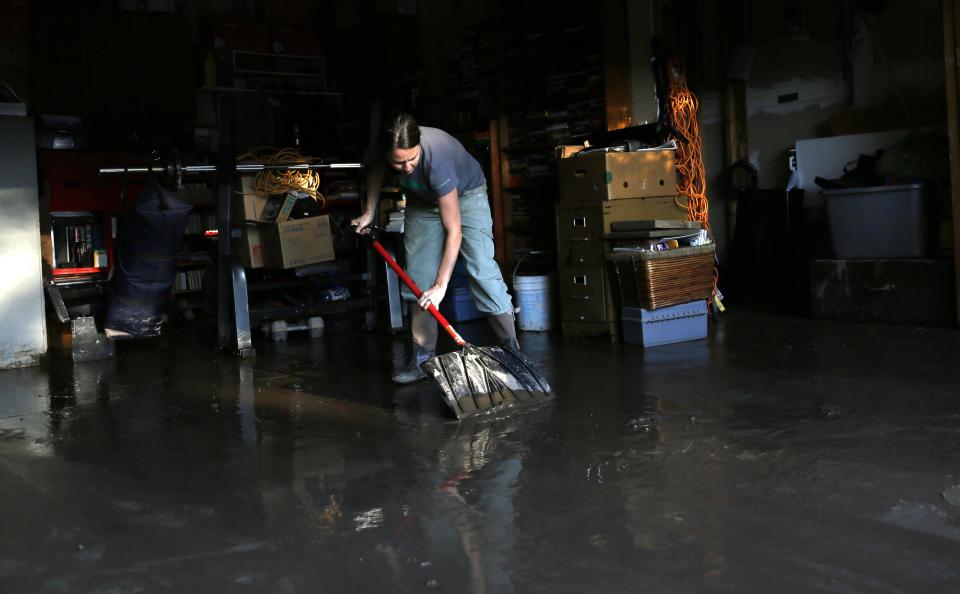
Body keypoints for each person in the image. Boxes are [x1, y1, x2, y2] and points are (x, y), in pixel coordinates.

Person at [352, 114, 519, 384]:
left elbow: (454, 230)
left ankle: (512, 352)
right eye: (399, 161)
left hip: (466, 196)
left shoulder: (437, 158)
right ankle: (421, 359)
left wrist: (442, 285)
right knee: (417, 278)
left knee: (481, 269)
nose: (406, 167)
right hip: (421, 201)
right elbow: (376, 170)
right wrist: (370, 211)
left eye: (412, 159)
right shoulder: (380, 148)